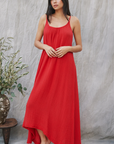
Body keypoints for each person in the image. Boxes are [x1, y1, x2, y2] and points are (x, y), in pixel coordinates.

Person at [22, 0, 82, 144]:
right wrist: (45, 46)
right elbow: (36, 41)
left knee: (61, 107)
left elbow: (79, 46)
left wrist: (67, 48)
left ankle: (54, 139)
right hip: (47, 65)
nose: (54, 1)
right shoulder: (45, 18)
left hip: (65, 68)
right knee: (34, 103)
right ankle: (44, 140)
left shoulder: (73, 21)